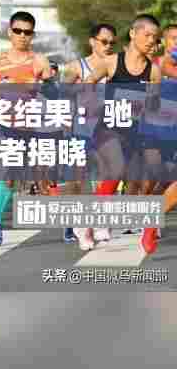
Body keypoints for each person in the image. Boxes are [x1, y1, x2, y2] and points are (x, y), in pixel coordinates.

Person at [84, 14, 162, 253]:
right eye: (147, 35)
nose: (151, 40)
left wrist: (148, 104)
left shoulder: (153, 71)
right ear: (133, 33)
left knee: (151, 171)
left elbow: (155, 106)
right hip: (108, 128)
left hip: (135, 132)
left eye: (155, 37)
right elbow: (88, 82)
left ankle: (146, 230)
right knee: (116, 169)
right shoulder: (111, 62)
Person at [0, 11, 52, 246]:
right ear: (10, 32)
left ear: (32, 35)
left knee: (12, 180)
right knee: (3, 168)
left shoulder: (40, 62)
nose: (22, 35)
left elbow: (54, 92)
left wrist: (44, 86)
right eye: (18, 31)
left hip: (25, 125)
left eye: (27, 32)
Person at [63, 23, 117, 249]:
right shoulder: (77, 66)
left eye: (112, 42)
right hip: (81, 128)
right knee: (78, 180)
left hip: (108, 127)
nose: (108, 46)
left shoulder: (116, 65)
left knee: (109, 173)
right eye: (104, 41)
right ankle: (78, 225)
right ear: (92, 41)